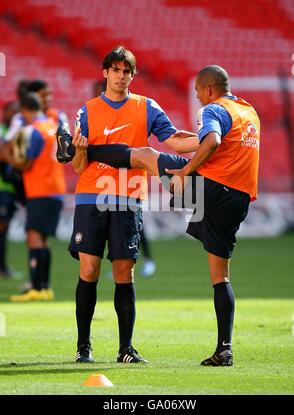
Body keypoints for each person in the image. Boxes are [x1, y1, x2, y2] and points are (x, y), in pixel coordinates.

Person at [57, 65, 260, 366]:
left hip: (208, 189)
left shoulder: (213, 110)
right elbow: (211, 143)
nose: (197, 98)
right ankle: (224, 349)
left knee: (145, 155)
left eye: (197, 93)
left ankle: (72, 149)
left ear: (207, 89)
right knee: (221, 276)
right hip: (240, 199)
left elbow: (212, 141)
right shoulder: (249, 112)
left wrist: (185, 172)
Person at [60, 46, 198, 364]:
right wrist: (80, 149)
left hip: (129, 198)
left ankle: (126, 349)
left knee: (124, 272)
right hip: (91, 196)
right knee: (90, 269)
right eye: (116, 70)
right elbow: (78, 166)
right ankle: (84, 347)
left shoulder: (147, 107)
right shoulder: (87, 110)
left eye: (127, 71)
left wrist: (207, 139)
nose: (121, 76)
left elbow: (175, 140)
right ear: (105, 73)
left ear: (132, 75)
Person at [92, 78, 156, 279]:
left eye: (97, 92)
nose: (95, 97)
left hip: (128, 178)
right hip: (108, 179)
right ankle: (118, 262)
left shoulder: (122, 115)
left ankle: (147, 260)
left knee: (134, 223)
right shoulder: (96, 115)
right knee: (114, 223)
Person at [8, 93, 66, 301]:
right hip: (55, 190)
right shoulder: (51, 125)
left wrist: (8, 158)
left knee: (33, 237)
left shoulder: (33, 130)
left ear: (24, 110)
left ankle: (36, 287)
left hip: (41, 189)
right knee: (41, 238)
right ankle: (44, 287)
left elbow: (26, 163)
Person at [0, 101, 20, 277]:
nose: (14, 116)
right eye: (11, 112)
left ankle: (3, 267)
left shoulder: (14, 133)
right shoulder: (2, 132)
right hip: (2, 189)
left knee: (3, 231)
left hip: (8, 189)